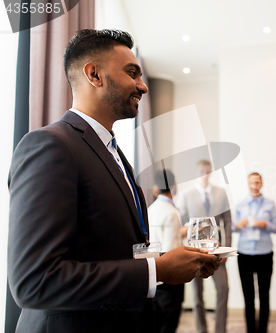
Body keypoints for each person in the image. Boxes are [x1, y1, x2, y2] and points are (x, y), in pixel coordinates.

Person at [8, 29, 219, 333]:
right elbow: (35, 281)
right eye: (132, 73)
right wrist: (156, 269)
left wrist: (169, 262)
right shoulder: (50, 146)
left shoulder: (116, 154)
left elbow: (110, 249)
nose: (142, 86)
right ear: (94, 74)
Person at [177, 159, 232, 333]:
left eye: (208, 172)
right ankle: (202, 329)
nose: (205, 175)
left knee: (223, 289)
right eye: (202, 172)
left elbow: (228, 222)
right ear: (197, 173)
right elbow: (180, 224)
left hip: (217, 250)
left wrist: (227, 248)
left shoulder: (221, 193)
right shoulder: (186, 195)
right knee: (196, 294)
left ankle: (220, 329)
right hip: (194, 250)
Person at [234, 172, 276, 333]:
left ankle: (263, 329)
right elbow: (233, 227)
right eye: (252, 182)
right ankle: (251, 330)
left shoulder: (270, 204)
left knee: (264, 295)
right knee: (248, 296)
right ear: (248, 184)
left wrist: (264, 224)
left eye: (257, 182)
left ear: (261, 184)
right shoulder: (240, 203)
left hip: (264, 253)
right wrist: (239, 224)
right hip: (244, 253)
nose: (255, 185)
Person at [149, 169, 188, 333]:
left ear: (156, 187)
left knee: (156, 323)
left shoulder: (151, 209)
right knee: (169, 324)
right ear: (174, 185)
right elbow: (172, 252)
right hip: (169, 281)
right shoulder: (171, 212)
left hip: (153, 276)